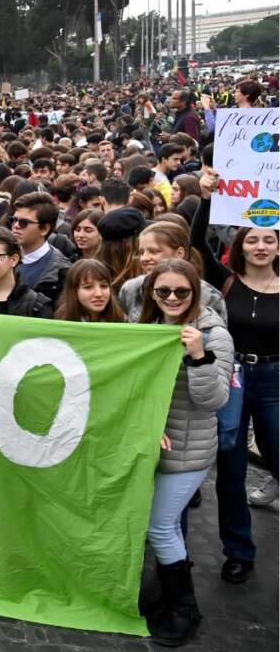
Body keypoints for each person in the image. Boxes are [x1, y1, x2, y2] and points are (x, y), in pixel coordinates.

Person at [139, 259, 231, 646]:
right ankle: (165, 596)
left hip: (189, 451)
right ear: (152, 294)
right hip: (150, 447)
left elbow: (215, 400)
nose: (172, 298)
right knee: (162, 526)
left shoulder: (214, 335)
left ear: (195, 292)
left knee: (160, 526)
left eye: (181, 291)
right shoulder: (147, 329)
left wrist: (199, 356)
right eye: (163, 292)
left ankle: (185, 608)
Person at [190, 177, 280, 571]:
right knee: (230, 464)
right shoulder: (224, 280)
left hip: (275, 380)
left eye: (270, 240)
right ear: (240, 244)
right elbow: (197, 243)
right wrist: (207, 200)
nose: (261, 247)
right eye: (253, 240)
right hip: (233, 377)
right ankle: (238, 551)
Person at [119, 221, 224, 322]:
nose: (144, 258)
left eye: (154, 251)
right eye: (141, 252)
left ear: (179, 253)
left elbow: (217, 336)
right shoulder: (130, 289)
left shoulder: (209, 296)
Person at [8, 192, 71, 304]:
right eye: (13, 220)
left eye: (24, 223)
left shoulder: (62, 271)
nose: (16, 226)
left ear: (44, 229)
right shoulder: (0, 257)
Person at [54, 259, 126, 322]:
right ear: (74, 291)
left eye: (104, 286)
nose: (99, 294)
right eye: (88, 287)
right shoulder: (60, 326)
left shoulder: (122, 322)